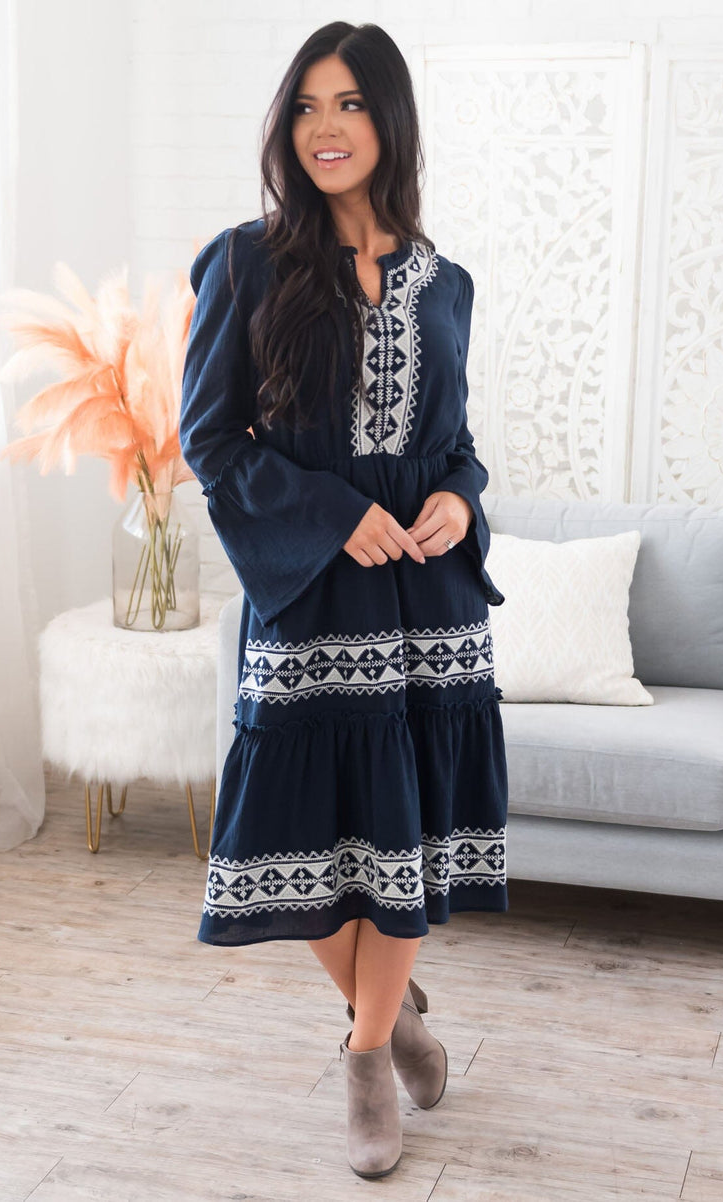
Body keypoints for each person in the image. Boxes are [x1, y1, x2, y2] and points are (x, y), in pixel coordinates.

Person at [179, 19, 509, 1181]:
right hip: (311, 593)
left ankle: (367, 1058)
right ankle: (398, 1022)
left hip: (428, 601)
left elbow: (452, 444)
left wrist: (459, 497)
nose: (327, 126)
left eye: (351, 103)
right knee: (294, 833)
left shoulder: (445, 284)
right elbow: (211, 442)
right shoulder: (244, 262)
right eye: (308, 105)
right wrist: (328, 512)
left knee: (402, 834)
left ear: (388, 120)